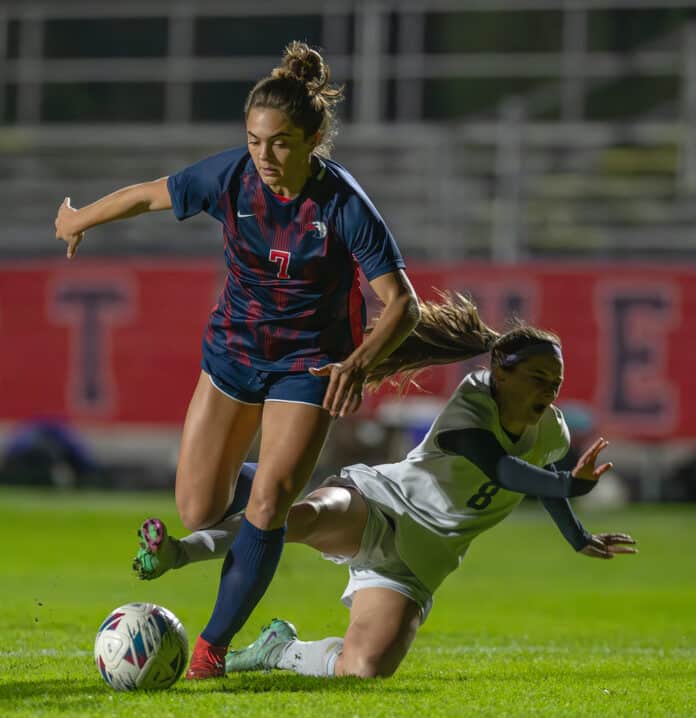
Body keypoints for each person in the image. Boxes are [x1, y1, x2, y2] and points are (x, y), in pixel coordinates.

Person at [54, 41, 420, 679]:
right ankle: (285, 484)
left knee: (270, 500)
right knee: (199, 509)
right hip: (234, 354)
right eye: (254, 141)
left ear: (311, 139)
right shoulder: (231, 177)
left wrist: (359, 363)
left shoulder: (344, 205)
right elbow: (148, 195)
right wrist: (79, 219)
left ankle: (210, 649)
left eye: (279, 143)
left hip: (310, 362)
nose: (265, 156)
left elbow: (402, 305)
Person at [132, 292, 637, 680]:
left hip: (419, 563)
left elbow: (544, 476)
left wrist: (576, 534)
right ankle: (176, 553)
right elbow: (502, 470)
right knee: (293, 518)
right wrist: (572, 484)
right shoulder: (473, 403)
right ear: (501, 375)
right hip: (381, 501)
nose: (550, 391)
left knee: (364, 669)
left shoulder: (552, 428)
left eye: (556, 382)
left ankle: (278, 651)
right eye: (539, 377)